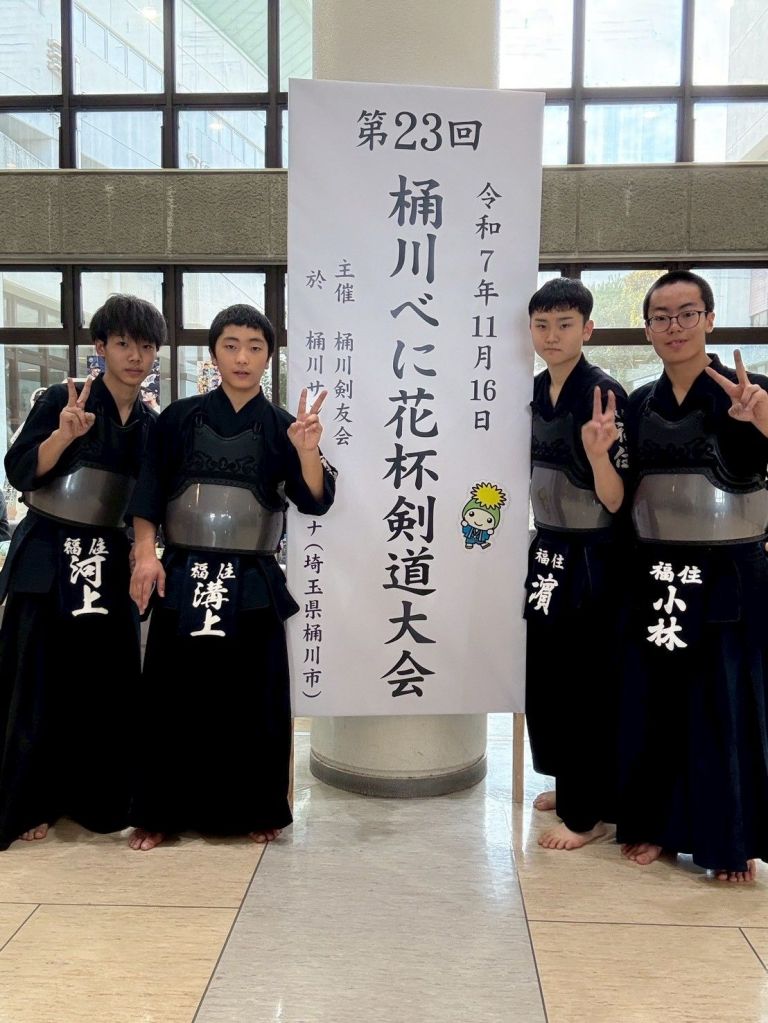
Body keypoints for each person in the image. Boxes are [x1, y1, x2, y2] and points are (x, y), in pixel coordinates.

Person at [128, 303, 336, 851]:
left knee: (253, 701)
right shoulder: (178, 418)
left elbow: (315, 500)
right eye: (231, 345)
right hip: (184, 571)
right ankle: (160, 812)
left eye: (255, 347)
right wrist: (146, 553)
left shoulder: (284, 426)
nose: (243, 357)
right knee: (173, 698)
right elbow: (148, 489)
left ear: (269, 357)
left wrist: (308, 451)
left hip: (252, 580)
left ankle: (255, 808)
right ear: (214, 354)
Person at [617, 270, 768, 883]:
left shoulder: (749, 392)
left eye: (686, 313)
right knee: (656, 703)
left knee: (726, 705)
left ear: (709, 318)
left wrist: (762, 420)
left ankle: (731, 840)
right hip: (657, 570)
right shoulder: (637, 404)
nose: (673, 326)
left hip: (731, 572)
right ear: (648, 329)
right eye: (661, 317)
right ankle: (656, 826)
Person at [0, 294, 166, 850]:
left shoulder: (150, 424)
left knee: (105, 684)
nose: (135, 357)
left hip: (107, 555)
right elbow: (21, 470)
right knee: (36, 680)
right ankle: (31, 800)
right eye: (123, 344)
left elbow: (148, 500)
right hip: (49, 550)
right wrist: (63, 436)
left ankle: (98, 800)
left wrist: (145, 551)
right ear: (100, 347)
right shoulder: (61, 399)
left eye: (146, 346)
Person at [525, 278, 628, 850]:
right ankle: (569, 783)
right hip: (548, 548)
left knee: (588, 684)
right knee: (550, 677)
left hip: (593, 555)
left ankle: (590, 814)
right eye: (542, 325)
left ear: (587, 329)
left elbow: (617, 500)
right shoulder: (537, 389)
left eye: (565, 325)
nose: (552, 336)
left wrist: (598, 455)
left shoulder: (603, 393)